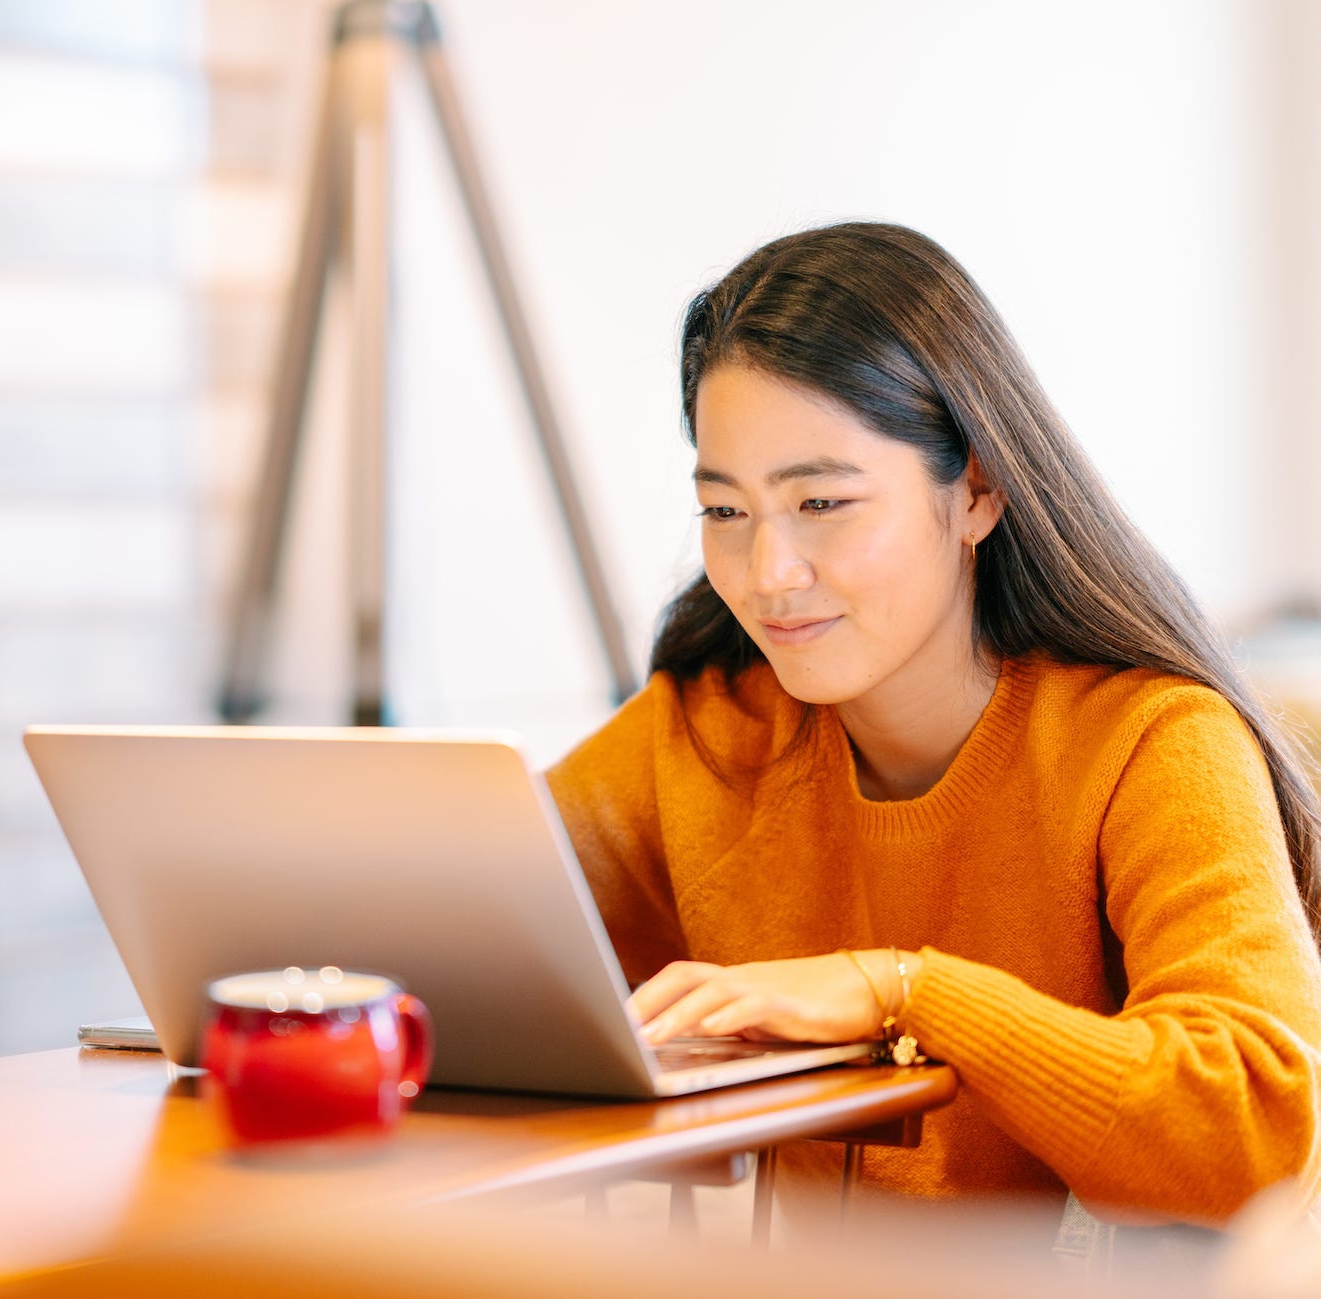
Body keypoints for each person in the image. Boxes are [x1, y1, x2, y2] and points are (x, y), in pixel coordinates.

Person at [546, 221, 1321, 1234]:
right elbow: (473, 919)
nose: (767, 573)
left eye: (821, 502)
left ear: (978, 492)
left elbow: (1253, 1129)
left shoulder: (1151, 739)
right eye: (725, 512)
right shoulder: (710, 728)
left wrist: (903, 991)